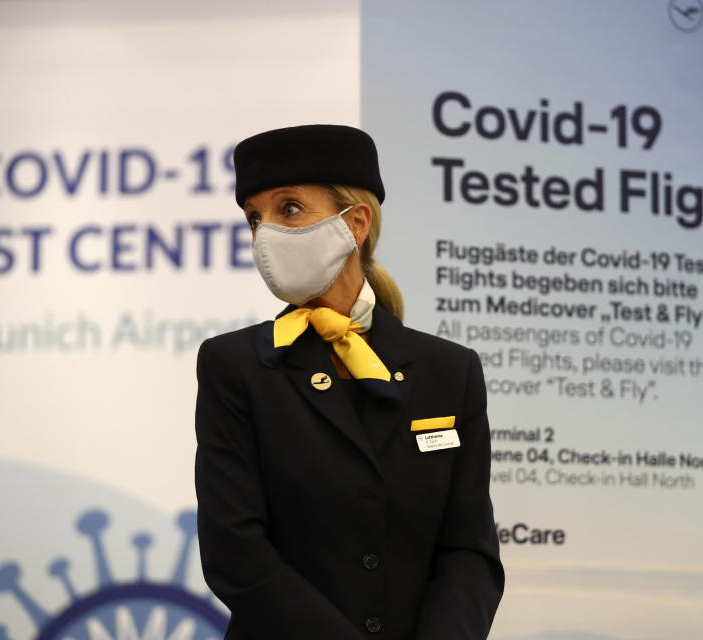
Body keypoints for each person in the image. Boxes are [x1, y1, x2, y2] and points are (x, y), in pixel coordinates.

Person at [195, 124, 504, 640]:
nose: (265, 233)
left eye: (288, 208)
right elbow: (235, 550)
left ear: (356, 223)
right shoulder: (236, 366)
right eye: (254, 218)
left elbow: (468, 551)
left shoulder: (452, 372)